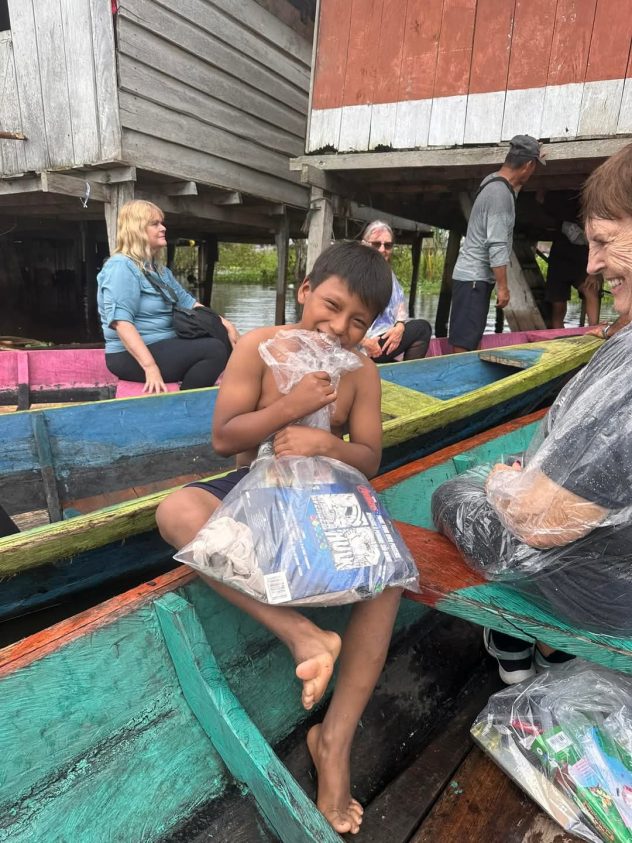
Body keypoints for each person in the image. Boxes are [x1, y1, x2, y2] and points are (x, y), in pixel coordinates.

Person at [156, 241, 400, 835]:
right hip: (252, 487)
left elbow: (369, 457)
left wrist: (326, 443)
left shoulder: (362, 371)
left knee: (389, 575)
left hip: (322, 503)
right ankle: (303, 636)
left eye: (358, 321)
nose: (339, 328)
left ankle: (334, 742)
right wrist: (290, 407)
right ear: (305, 291)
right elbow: (225, 438)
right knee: (176, 511)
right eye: (331, 306)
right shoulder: (258, 347)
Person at [432, 142, 632, 683]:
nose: (592, 264)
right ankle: (542, 645)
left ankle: (516, 638)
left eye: (603, 241)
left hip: (611, 595)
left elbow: (541, 523)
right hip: (616, 563)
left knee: (452, 494)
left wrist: (500, 483)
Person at [97, 200, 238, 393]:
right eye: (155, 224)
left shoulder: (158, 270)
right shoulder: (121, 267)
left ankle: (208, 394)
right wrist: (151, 368)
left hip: (164, 344)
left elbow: (189, 303)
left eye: (161, 223)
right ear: (137, 229)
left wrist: (225, 324)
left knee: (222, 337)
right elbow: (122, 323)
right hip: (130, 356)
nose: (163, 228)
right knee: (213, 350)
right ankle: (185, 404)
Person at [449, 134, 545, 353]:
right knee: (464, 342)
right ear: (528, 165)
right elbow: (497, 245)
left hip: (472, 278)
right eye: (534, 166)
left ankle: (468, 369)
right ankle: (462, 373)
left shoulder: (494, 181)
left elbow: (514, 187)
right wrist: (503, 287)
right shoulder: (500, 195)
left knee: (470, 335)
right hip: (474, 279)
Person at [359, 221, 431, 362]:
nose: (382, 250)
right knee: (423, 329)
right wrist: (365, 341)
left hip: (381, 340)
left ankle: (397, 369)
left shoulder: (387, 273)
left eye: (387, 245)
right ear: (364, 244)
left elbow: (399, 306)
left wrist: (399, 326)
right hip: (361, 345)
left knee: (416, 327)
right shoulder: (355, 273)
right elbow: (339, 319)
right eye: (376, 244)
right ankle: (406, 373)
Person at [544, 219, 601, 329]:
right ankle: (558, 335)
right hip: (559, 260)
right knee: (558, 307)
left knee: (590, 290)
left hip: (582, 258)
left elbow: (598, 242)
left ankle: (594, 329)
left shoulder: (593, 220)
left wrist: (594, 273)